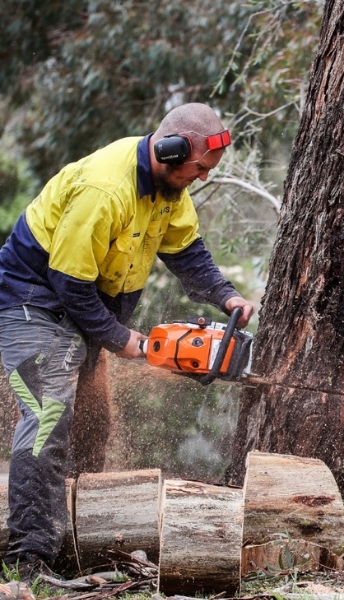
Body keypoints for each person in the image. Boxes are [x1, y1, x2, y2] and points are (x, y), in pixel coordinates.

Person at [0, 103, 255, 578]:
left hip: (83, 308)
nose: (200, 178)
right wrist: (122, 340)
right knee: (48, 414)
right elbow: (68, 281)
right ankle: (28, 556)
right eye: (199, 168)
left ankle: (78, 541)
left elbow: (187, 252)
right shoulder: (107, 187)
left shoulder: (168, 190)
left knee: (94, 422)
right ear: (172, 149)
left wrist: (226, 296)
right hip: (36, 301)